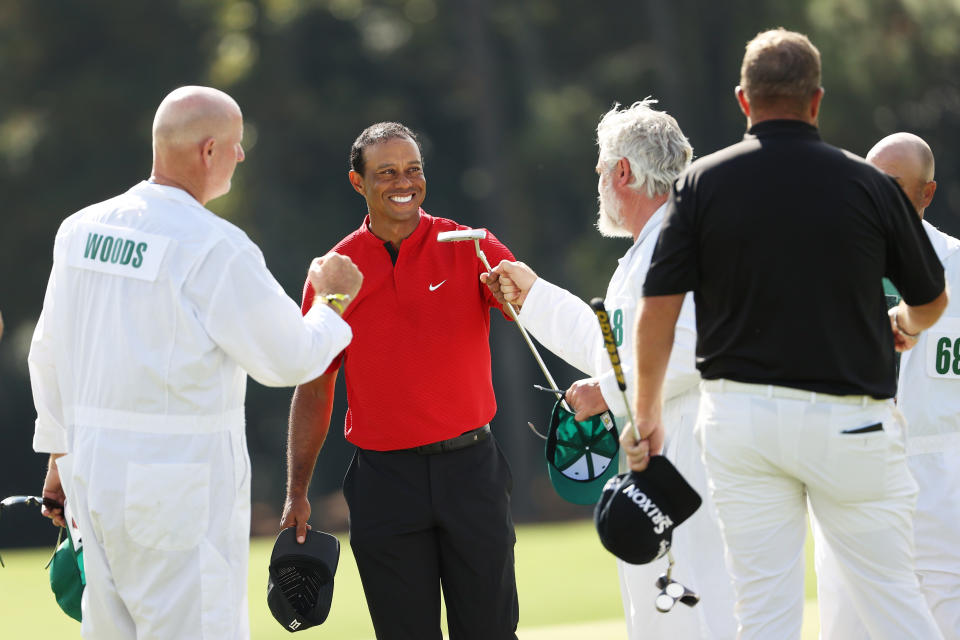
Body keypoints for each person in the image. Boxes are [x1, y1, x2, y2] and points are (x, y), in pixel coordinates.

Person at [622, 29, 948, 639]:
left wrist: (645, 418)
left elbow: (656, 311)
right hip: (850, 422)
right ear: (817, 101)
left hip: (742, 423)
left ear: (743, 100)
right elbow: (930, 299)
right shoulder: (870, 186)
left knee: (765, 617)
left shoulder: (701, 185)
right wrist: (899, 325)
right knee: (897, 605)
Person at [28, 86, 362, 639]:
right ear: (209, 151)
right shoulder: (213, 246)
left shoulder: (80, 230)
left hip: (93, 479)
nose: (241, 155)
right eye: (236, 144)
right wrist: (330, 302)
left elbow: (48, 352)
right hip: (176, 489)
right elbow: (288, 360)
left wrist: (58, 457)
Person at [486, 100, 736, 639]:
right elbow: (617, 350)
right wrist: (535, 299)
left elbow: (694, 348)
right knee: (660, 613)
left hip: (692, 454)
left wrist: (604, 392)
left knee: (695, 610)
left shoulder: (682, 243)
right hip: (659, 454)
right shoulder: (647, 251)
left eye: (601, 168)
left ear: (623, 171)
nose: (597, 180)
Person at [282, 122, 518, 640]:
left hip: (471, 470)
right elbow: (315, 385)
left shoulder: (470, 245)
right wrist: (297, 491)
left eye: (413, 170)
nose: (403, 182)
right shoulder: (335, 272)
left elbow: (525, 301)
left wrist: (513, 292)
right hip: (384, 483)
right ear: (357, 182)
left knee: (491, 631)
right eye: (386, 172)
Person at [815, 133, 960, 639]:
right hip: (847, 487)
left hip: (941, 494)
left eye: (892, 186)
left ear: (927, 194)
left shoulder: (959, 269)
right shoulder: (825, 268)